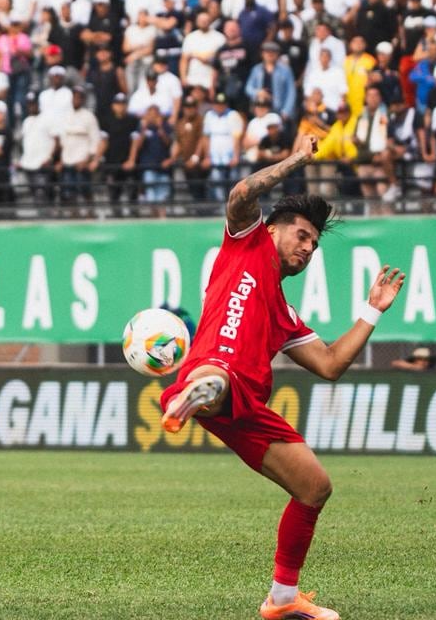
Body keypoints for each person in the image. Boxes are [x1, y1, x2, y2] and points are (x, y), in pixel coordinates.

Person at [158, 132, 406, 620]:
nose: (309, 248)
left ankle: (283, 599)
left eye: (315, 244)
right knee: (217, 374)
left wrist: (372, 313)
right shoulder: (244, 243)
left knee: (315, 488)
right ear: (273, 229)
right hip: (214, 370)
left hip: (248, 412)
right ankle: (193, 393)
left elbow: (332, 364)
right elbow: (241, 195)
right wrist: (297, 159)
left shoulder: (285, 313)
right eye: (303, 235)